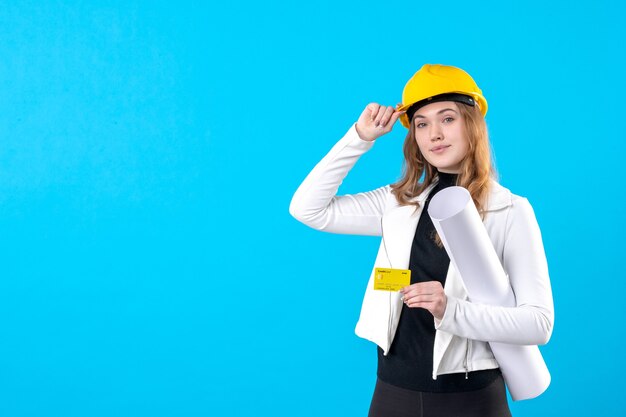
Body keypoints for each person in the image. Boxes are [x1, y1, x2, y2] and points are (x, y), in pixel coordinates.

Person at [288, 64, 554, 417]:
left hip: (470, 399)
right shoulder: (399, 203)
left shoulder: (509, 210)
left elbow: (539, 324)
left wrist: (450, 310)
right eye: (421, 123)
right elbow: (308, 209)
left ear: (471, 124)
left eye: (447, 118)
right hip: (392, 394)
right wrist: (360, 137)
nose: (434, 134)